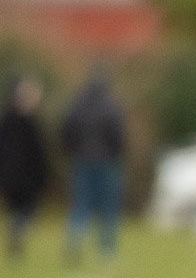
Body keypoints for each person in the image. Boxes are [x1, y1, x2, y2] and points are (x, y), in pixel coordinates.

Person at [60, 69, 125, 262]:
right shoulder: (111, 108)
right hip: (107, 162)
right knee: (109, 207)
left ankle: (75, 238)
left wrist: (72, 152)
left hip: (82, 161)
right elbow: (118, 137)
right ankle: (106, 251)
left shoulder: (78, 108)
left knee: (81, 204)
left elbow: (66, 132)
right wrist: (115, 153)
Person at [0, 76, 50, 260]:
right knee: (26, 209)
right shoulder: (28, 123)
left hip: (11, 175)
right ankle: (17, 231)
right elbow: (38, 152)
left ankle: (16, 231)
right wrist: (43, 176)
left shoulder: (8, 120)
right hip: (25, 176)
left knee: (19, 209)